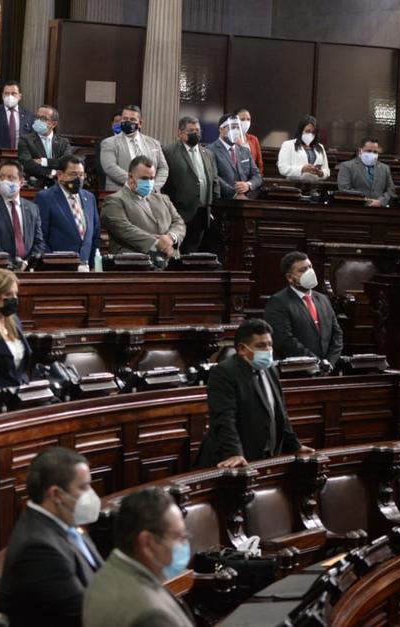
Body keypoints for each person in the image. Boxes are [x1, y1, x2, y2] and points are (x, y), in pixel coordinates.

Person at [0, 447, 103, 627]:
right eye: (83, 487)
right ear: (56, 494)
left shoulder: (67, 522)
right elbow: (82, 618)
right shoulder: (39, 550)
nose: (91, 494)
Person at [195, 318, 312, 469]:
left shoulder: (270, 369)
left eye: (269, 345)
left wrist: (294, 446)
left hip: (264, 457)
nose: (268, 350)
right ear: (242, 349)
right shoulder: (224, 372)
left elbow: (280, 413)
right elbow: (224, 418)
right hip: (230, 461)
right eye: (260, 346)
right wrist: (233, 453)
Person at [82, 487, 194, 627]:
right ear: (147, 543)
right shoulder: (153, 617)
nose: (184, 544)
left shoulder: (107, 573)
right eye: (178, 537)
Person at [101, 155, 185, 267]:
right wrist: (159, 244)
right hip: (134, 266)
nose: (149, 182)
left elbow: (179, 223)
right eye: (144, 178)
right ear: (131, 177)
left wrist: (171, 237)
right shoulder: (114, 201)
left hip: (170, 264)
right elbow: (125, 230)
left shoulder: (163, 199)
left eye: (152, 178)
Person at [264, 251, 343, 366]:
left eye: (310, 267)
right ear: (290, 277)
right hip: (298, 369)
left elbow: (337, 334)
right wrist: (316, 362)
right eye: (302, 270)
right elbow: (284, 340)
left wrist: (330, 361)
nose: (310, 272)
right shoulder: (278, 302)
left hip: (328, 367)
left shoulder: (323, 299)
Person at [162, 116, 219, 254]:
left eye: (197, 130)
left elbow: (214, 180)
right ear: (180, 133)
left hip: (203, 212)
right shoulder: (168, 152)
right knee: (178, 252)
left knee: (195, 252)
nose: (195, 133)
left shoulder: (208, 153)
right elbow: (165, 183)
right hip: (180, 211)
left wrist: (213, 205)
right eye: (191, 131)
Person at [34, 154, 100, 270]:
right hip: (57, 270)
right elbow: (40, 238)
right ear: (60, 175)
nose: (78, 179)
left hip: (86, 268)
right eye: (73, 174)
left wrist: (93, 265)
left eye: (81, 175)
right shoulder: (45, 198)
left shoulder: (89, 198)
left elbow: (95, 235)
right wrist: (53, 263)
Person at [0, 160, 45, 268]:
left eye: (10, 178)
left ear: (21, 182)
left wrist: (28, 263)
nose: (4, 181)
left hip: (28, 268)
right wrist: (13, 264)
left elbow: (39, 242)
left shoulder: (32, 208)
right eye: (1, 177)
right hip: (0, 268)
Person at [99, 105, 169, 192]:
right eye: (125, 119)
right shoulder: (109, 143)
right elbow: (110, 167)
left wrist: (153, 187)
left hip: (150, 194)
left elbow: (163, 168)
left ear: (140, 123)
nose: (128, 122)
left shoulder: (154, 143)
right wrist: (135, 182)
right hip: (121, 193)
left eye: (132, 119)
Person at [206, 114, 262, 199]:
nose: (236, 131)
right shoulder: (210, 150)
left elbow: (257, 176)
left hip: (246, 200)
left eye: (238, 128)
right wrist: (234, 194)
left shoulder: (245, 151)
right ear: (221, 129)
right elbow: (213, 176)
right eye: (232, 127)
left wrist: (248, 185)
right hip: (223, 201)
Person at [17, 105, 73, 188]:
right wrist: (53, 172)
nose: (38, 121)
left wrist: (44, 161)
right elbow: (27, 164)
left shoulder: (63, 142)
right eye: (37, 117)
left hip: (59, 186)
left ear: (54, 124)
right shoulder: (25, 139)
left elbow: (66, 162)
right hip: (35, 185)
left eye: (43, 118)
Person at [337, 137, 396, 207]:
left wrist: (381, 202)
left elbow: (391, 190)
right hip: (356, 208)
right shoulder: (347, 166)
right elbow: (344, 189)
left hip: (379, 209)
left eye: (375, 152)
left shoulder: (385, 168)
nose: (372, 154)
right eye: (369, 151)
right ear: (360, 151)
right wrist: (365, 200)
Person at [0, 80, 34, 149]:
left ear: (20, 96)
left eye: (13, 93)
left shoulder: (28, 115)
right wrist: (0, 151)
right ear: (2, 95)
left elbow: (32, 137)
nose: (10, 96)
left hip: (21, 154)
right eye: (6, 93)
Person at [276, 115, 330, 182]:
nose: (310, 134)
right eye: (307, 131)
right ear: (300, 130)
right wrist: (302, 169)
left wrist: (321, 173)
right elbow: (283, 168)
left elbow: (327, 171)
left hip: (315, 185)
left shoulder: (320, 147)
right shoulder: (288, 145)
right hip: (294, 185)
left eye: (313, 132)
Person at [235, 108, 263, 174]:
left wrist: (258, 177)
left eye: (248, 119)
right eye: (242, 119)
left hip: (252, 177)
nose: (246, 122)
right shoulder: (230, 139)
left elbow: (259, 163)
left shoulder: (254, 139)